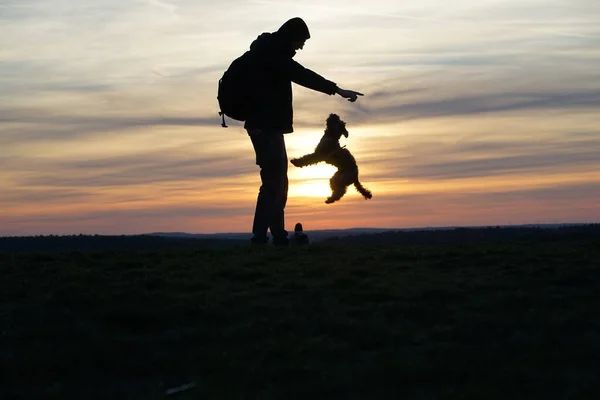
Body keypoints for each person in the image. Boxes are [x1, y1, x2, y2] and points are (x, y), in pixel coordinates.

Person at [245, 17, 363, 246]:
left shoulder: (267, 51)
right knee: (273, 181)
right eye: (301, 42)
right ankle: (260, 237)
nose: (301, 47)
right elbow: (302, 75)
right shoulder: (274, 54)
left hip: (266, 125)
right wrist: (336, 89)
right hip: (265, 125)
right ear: (292, 37)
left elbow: (297, 73)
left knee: (277, 180)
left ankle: (277, 235)